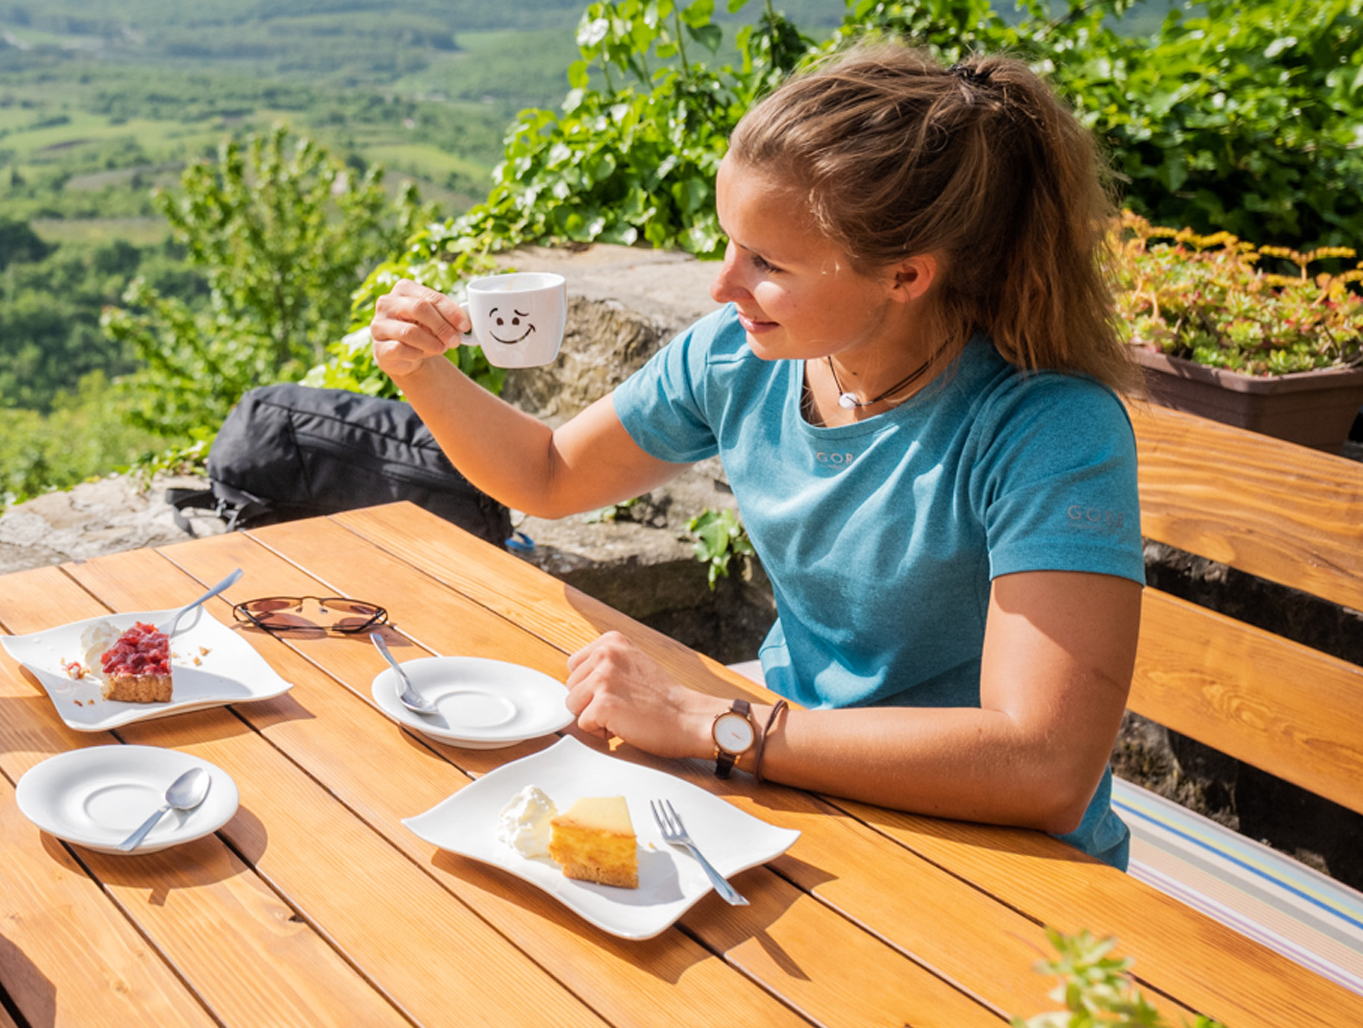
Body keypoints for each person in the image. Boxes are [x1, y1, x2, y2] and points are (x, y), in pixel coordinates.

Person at [371, 43, 1145, 866]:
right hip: (796, 794)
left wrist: (712, 722)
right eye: (730, 244)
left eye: (768, 263)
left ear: (907, 276)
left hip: (994, 855)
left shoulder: (1048, 430)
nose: (721, 286)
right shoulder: (736, 360)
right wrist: (421, 369)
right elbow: (550, 475)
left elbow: (1044, 767)